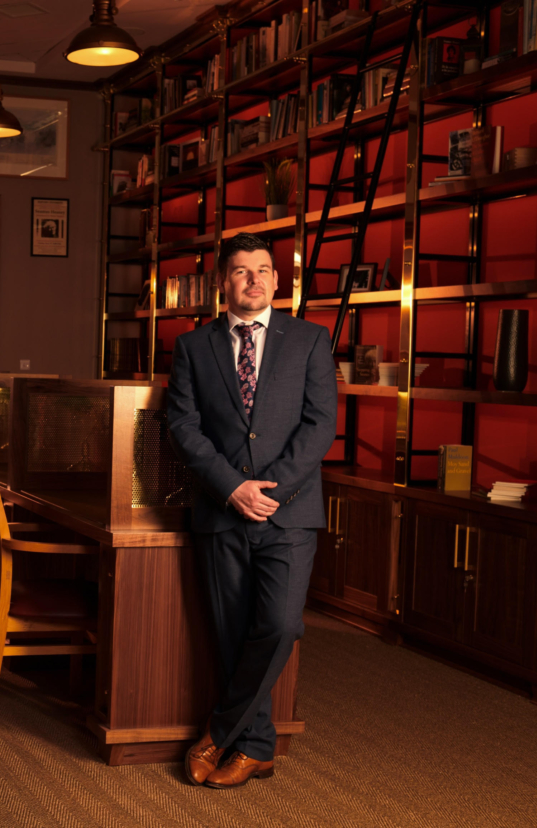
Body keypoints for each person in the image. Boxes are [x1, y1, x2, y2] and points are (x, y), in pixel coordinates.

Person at [166, 232, 337, 788]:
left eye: (263, 269)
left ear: (276, 279)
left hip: (290, 513)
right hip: (220, 511)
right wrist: (232, 487)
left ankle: (220, 733)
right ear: (223, 281)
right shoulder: (193, 346)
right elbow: (184, 427)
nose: (255, 279)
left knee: (281, 625)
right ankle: (256, 747)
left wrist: (270, 491)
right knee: (232, 631)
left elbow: (320, 426)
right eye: (241, 271)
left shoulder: (311, 339)